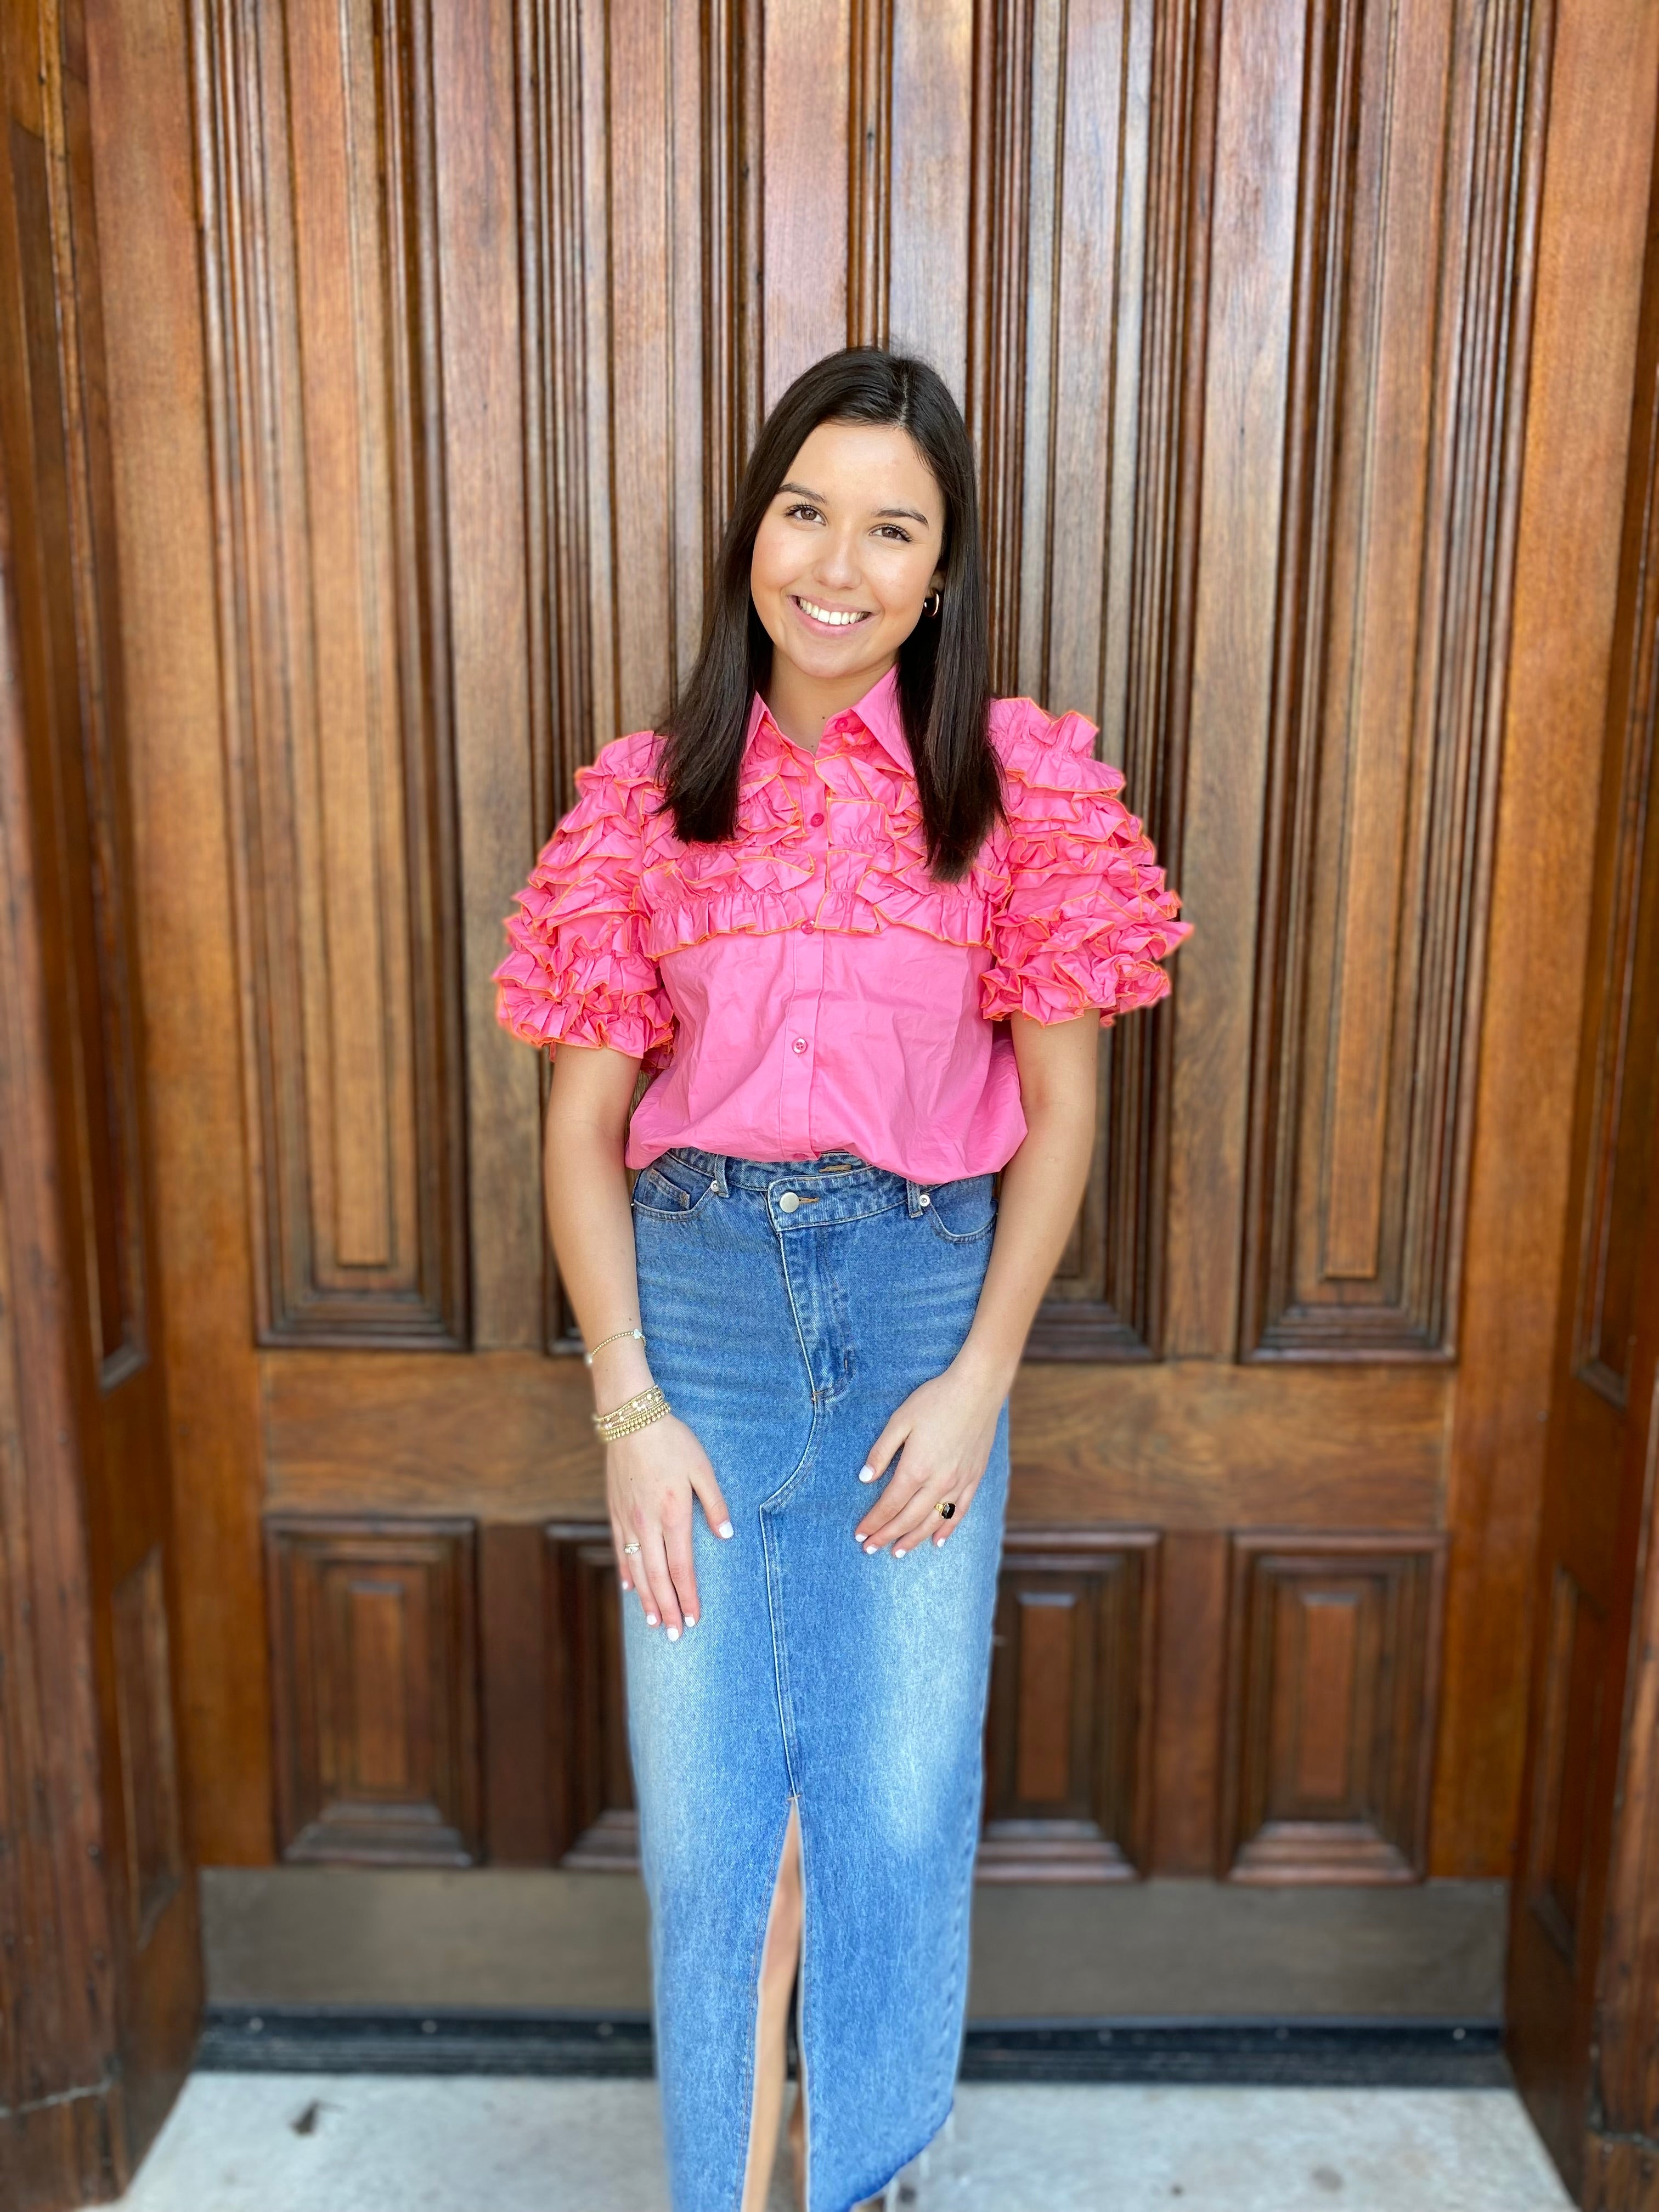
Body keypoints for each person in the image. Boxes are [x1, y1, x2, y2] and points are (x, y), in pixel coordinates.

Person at [493, 346, 1190, 2212]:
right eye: (809, 510)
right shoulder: (648, 803)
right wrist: (625, 1403)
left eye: (896, 529)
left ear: (943, 569)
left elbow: (1056, 1122)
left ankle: (859, 2175)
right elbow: (581, 1135)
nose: (841, 563)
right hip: (701, 1312)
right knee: (723, 1836)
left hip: (912, 1315)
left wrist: (979, 1381)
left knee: (883, 1812)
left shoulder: (1019, 789)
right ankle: (724, 2184)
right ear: (753, 532)